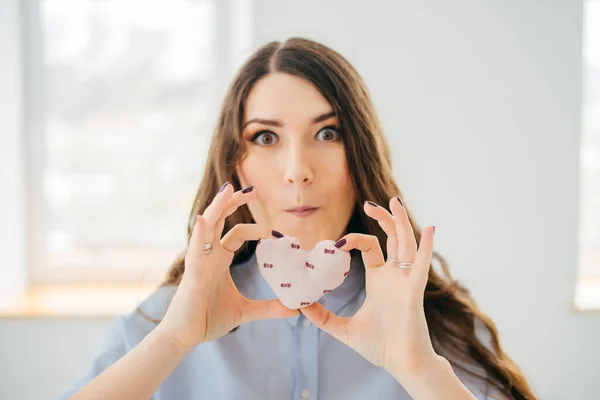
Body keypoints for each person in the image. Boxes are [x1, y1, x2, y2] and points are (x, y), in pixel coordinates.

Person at [60, 38, 536, 400]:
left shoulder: (433, 325)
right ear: (234, 164)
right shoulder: (164, 320)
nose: (297, 172)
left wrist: (419, 369)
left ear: (363, 154)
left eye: (328, 133)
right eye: (266, 138)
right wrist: (174, 339)